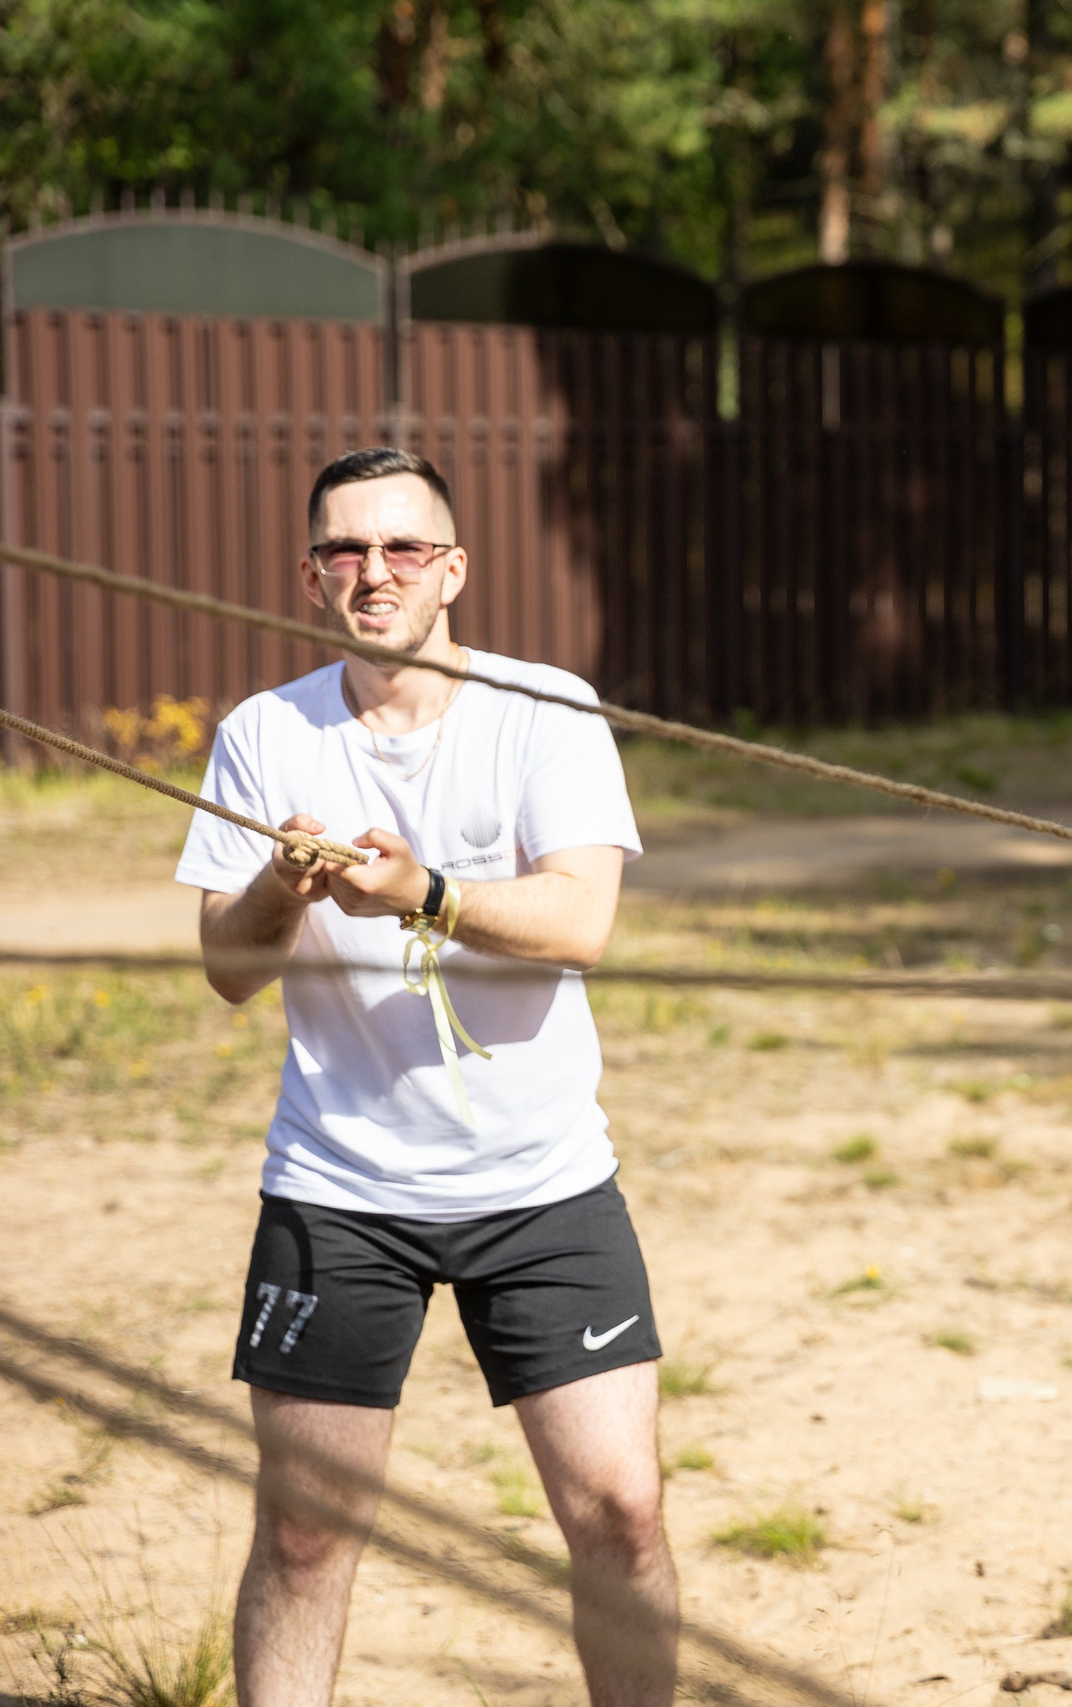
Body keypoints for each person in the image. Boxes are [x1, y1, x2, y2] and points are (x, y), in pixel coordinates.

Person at [178, 447, 676, 1707]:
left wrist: (427, 894)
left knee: (621, 1515)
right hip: (340, 1187)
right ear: (310, 578)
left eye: (403, 548)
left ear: (453, 570)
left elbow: (581, 925)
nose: (374, 571)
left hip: (543, 1185)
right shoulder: (263, 733)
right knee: (305, 1536)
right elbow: (226, 968)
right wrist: (278, 887)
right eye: (345, 550)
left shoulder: (546, 708)